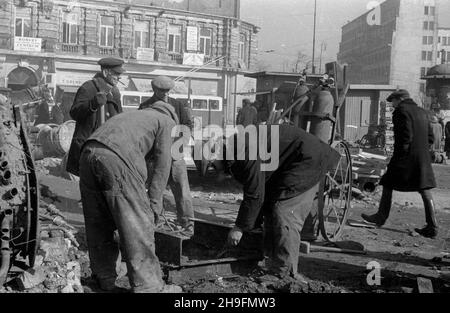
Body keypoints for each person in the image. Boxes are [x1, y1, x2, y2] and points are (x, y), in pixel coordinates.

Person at [78, 101, 181, 293]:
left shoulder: (134, 116)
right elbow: (162, 165)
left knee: (98, 223)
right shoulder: (166, 122)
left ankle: (104, 278)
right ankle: (150, 287)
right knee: (137, 223)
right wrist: (154, 203)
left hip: (88, 153)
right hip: (117, 156)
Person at [218, 124, 339, 281]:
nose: (217, 173)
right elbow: (260, 193)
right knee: (270, 208)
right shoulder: (237, 150)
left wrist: (239, 227)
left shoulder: (245, 151)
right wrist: (250, 224)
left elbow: (254, 194)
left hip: (307, 160)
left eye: (214, 167)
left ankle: (284, 272)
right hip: (290, 162)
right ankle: (270, 260)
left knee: (284, 212)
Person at [362, 90, 439, 239]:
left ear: (401, 99)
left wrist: (399, 156)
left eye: (394, 101)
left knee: (388, 182)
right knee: (424, 188)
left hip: (406, 156)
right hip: (422, 157)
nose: (393, 104)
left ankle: (381, 217)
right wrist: (421, 149)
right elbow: (431, 137)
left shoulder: (401, 111)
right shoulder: (422, 111)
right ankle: (432, 226)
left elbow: (405, 136)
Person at [139, 76, 194, 236]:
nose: (164, 94)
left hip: (175, 156)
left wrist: (178, 144)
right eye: (161, 90)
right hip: (155, 158)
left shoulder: (177, 105)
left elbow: (187, 126)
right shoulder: (145, 106)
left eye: (167, 91)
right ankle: (158, 223)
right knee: (155, 191)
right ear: (154, 89)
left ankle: (187, 224)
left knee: (183, 191)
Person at [66, 57, 124, 177]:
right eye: (116, 74)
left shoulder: (115, 92)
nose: (119, 77)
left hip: (108, 146)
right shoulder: (88, 87)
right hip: (88, 147)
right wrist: (93, 104)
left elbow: (118, 117)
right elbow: (74, 113)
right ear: (105, 73)